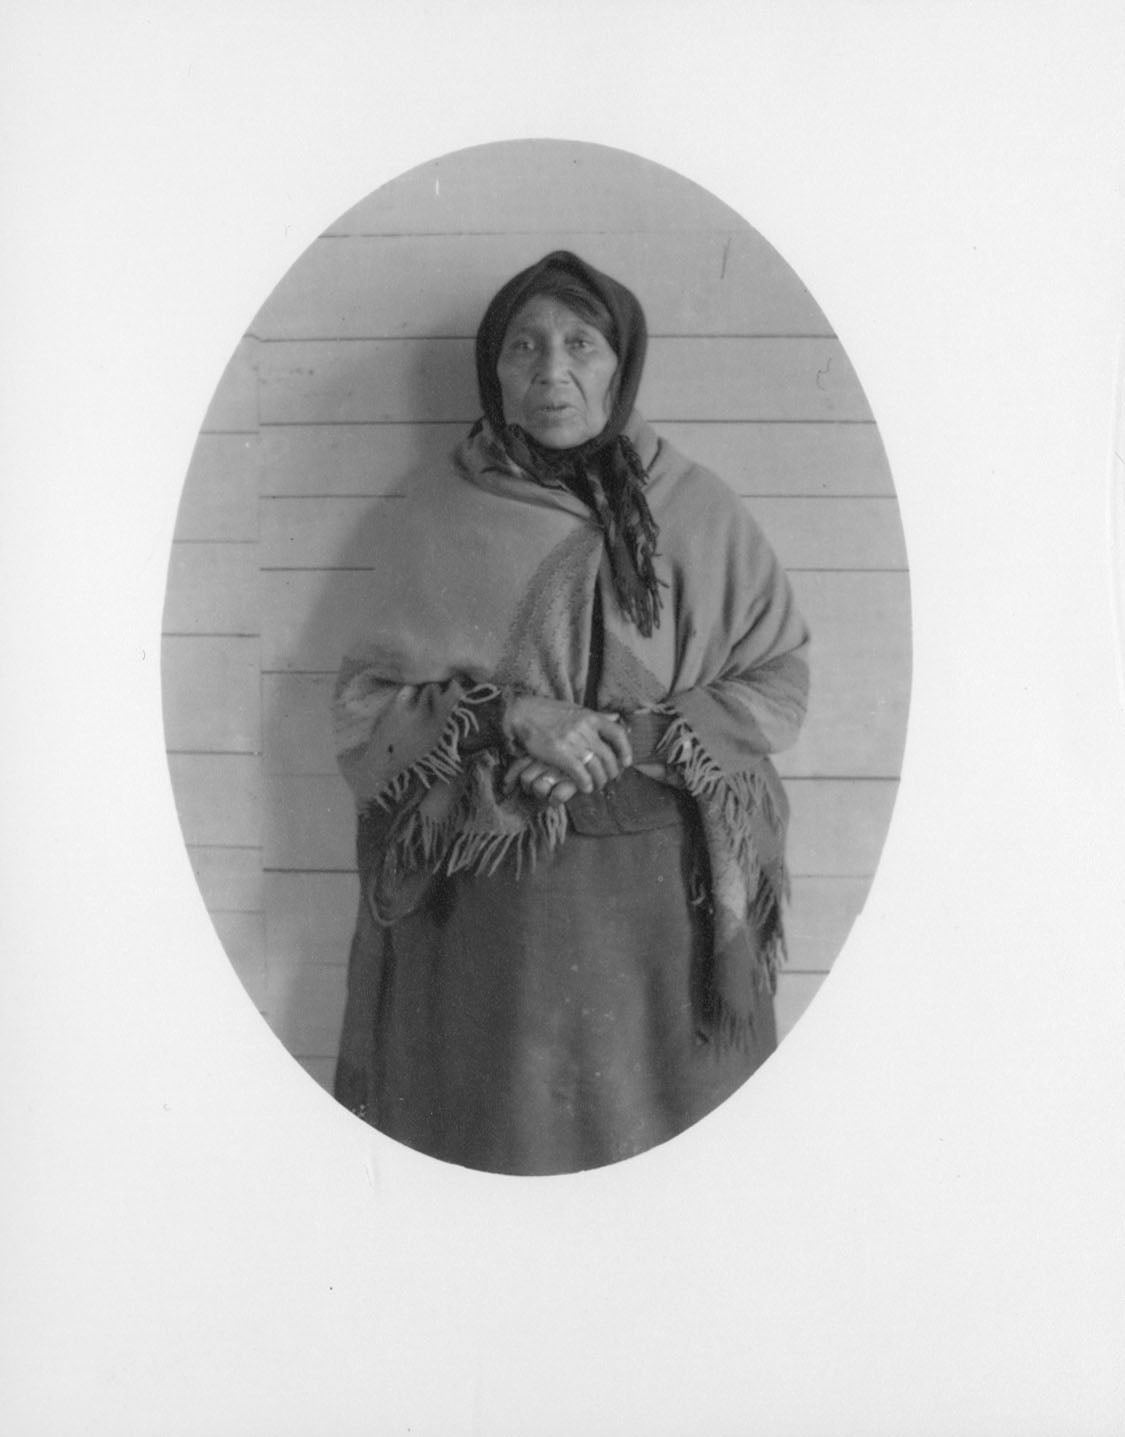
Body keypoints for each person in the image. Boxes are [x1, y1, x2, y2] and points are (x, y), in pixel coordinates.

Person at [332, 251, 810, 1176]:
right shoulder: (439, 512)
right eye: (524, 347)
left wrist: (628, 737)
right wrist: (510, 716)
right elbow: (364, 708)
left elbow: (778, 681)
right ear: (494, 372)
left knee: (671, 1159)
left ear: (618, 363)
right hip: (489, 913)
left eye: (579, 344)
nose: (552, 370)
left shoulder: (696, 511)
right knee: (501, 1147)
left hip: (658, 907)